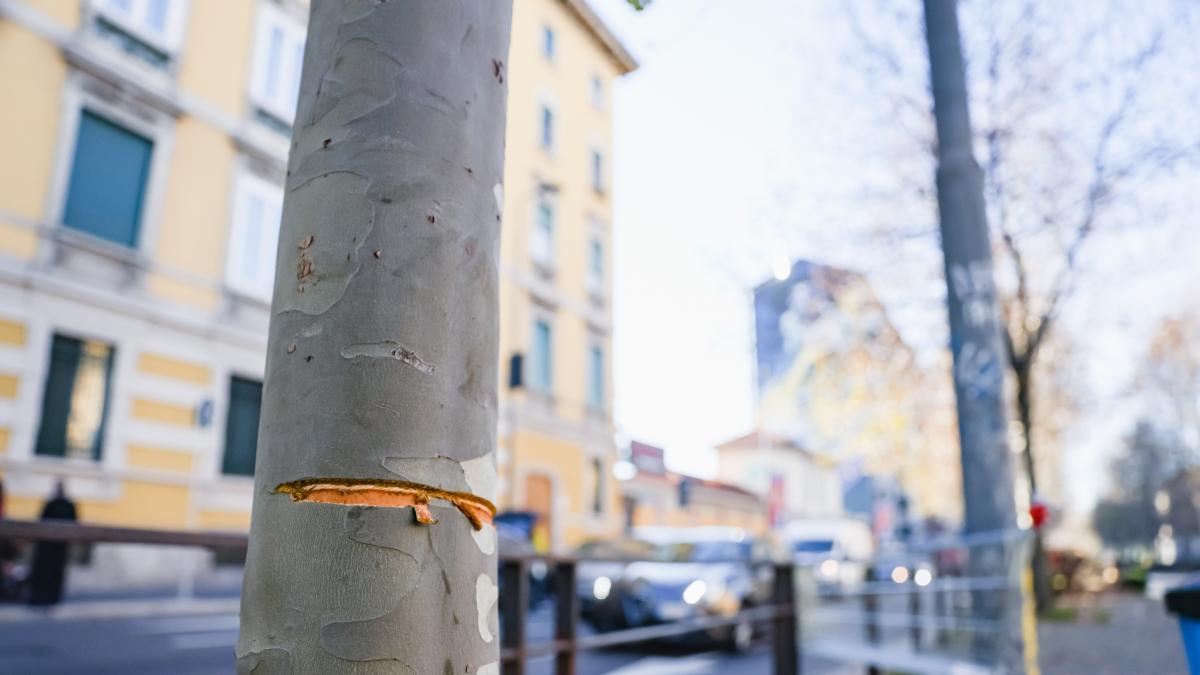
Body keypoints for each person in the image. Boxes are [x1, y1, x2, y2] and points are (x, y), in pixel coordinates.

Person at [28, 481, 77, 606]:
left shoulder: (65, 504)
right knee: (45, 573)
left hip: (55, 547)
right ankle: (43, 597)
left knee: (51, 573)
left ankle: (48, 597)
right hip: (49, 546)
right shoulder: (58, 504)